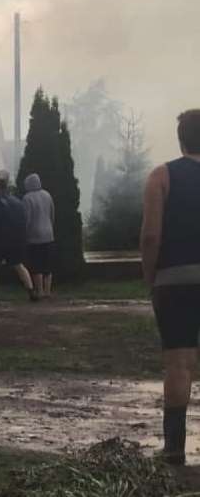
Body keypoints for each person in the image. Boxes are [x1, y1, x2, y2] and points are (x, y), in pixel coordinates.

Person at [141, 109, 200, 466]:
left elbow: (150, 235)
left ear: (180, 139)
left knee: (178, 363)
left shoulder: (161, 176)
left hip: (174, 280)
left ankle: (174, 448)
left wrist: (151, 278)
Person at [0, 178, 39, 303]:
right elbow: (23, 221)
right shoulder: (18, 203)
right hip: (15, 241)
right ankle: (31, 291)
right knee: (19, 265)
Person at [23, 173, 56, 298]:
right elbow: (52, 214)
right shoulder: (47, 195)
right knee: (47, 265)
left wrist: (24, 234)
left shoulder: (27, 198)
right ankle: (48, 291)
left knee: (36, 265)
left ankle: (40, 291)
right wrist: (50, 227)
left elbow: (27, 218)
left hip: (34, 237)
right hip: (49, 235)